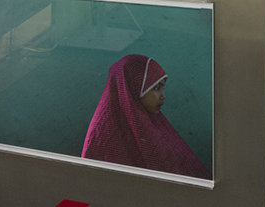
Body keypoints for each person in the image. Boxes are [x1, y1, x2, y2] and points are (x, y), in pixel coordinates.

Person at [81, 54, 211, 179]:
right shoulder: (101, 135)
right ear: (133, 88)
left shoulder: (154, 121)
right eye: (156, 88)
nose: (163, 96)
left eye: (162, 88)